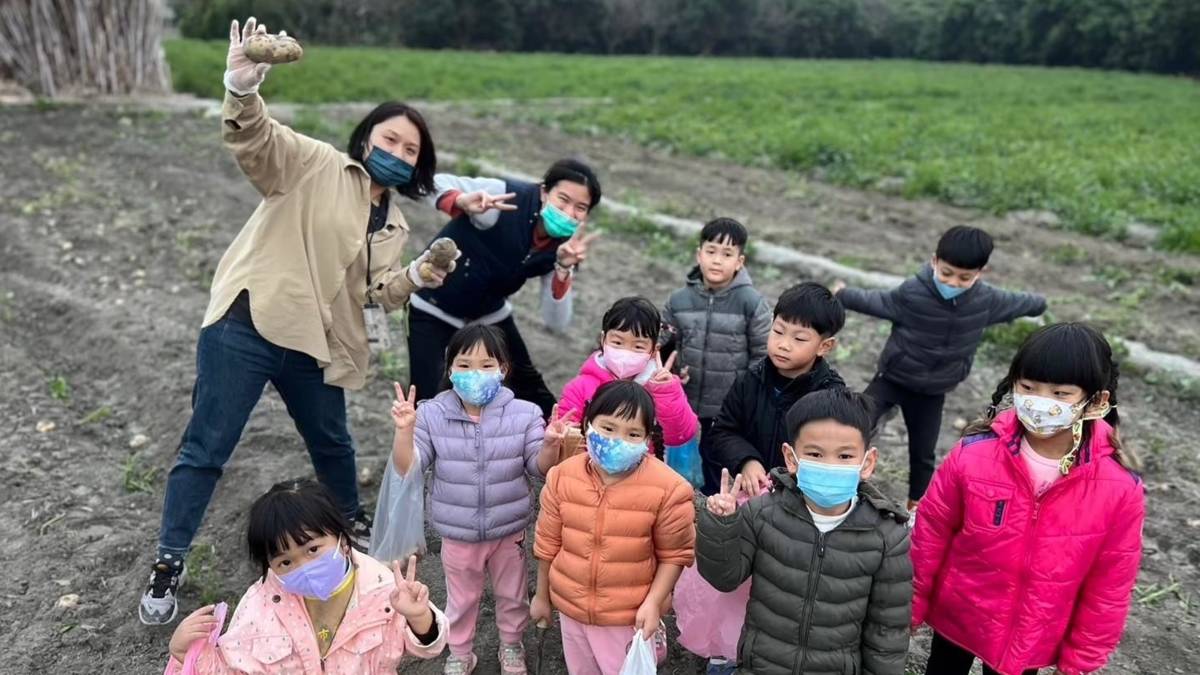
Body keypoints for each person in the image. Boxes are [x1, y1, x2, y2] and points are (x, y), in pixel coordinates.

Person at [140, 17, 457, 626]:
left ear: (419, 165)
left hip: (316, 342)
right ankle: (169, 558)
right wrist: (242, 87)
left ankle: (349, 523)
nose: (397, 153)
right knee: (208, 445)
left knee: (332, 443)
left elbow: (375, 293)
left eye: (410, 150)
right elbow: (254, 141)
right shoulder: (315, 164)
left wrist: (417, 277)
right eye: (389, 140)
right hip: (250, 321)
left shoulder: (394, 225)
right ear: (365, 141)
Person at [911, 323, 1144, 675]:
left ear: (1096, 401)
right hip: (959, 613)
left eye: (1060, 394)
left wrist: (1083, 655)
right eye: (1029, 388)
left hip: (1031, 633)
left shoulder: (1118, 487)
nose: (1040, 403)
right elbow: (930, 533)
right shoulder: (973, 455)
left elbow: (1111, 582)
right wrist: (910, 605)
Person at [389, 325, 566, 675]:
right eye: (465, 364)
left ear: (504, 369)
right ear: (450, 369)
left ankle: (512, 646)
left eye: (487, 365)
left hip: (509, 529)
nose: (475, 374)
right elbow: (408, 467)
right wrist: (404, 430)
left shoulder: (526, 413)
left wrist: (550, 444)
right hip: (457, 532)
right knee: (462, 597)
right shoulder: (431, 414)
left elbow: (539, 467)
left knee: (513, 595)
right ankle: (460, 651)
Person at [697, 389, 912, 675]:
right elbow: (724, 578)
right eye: (815, 454)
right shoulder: (762, 514)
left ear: (867, 462)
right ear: (791, 458)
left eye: (845, 455)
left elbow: (887, 629)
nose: (830, 465)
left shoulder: (887, 536)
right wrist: (721, 525)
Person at [833, 225, 1046, 511]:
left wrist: (1039, 305)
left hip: (933, 391)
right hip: (894, 378)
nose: (953, 282)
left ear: (980, 273)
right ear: (934, 261)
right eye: (946, 273)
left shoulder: (986, 301)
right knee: (857, 424)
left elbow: (1021, 303)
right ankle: (836, 482)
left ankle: (915, 506)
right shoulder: (913, 292)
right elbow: (878, 301)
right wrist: (844, 295)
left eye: (964, 277)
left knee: (923, 453)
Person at [164, 480, 447, 673]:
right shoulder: (259, 607)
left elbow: (427, 646)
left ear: (342, 539)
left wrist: (419, 617)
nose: (302, 566)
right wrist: (183, 654)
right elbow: (233, 670)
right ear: (269, 565)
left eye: (312, 549)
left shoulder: (383, 591)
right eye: (285, 561)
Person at [407, 159, 603, 419]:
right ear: (544, 191)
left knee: (533, 392)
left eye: (580, 208)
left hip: (489, 311)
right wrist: (461, 200)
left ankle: (561, 449)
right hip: (434, 304)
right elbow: (432, 183)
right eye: (563, 199)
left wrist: (563, 269)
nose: (569, 212)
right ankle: (419, 455)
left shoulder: (565, 248)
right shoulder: (505, 198)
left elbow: (556, 322)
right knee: (428, 399)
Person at [531, 381, 695, 675]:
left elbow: (675, 555)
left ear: (647, 439)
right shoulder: (561, 477)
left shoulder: (669, 489)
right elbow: (547, 544)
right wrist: (543, 596)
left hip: (628, 617)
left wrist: (654, 603)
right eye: (608, 428)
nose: (618, 440)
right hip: (571, 608)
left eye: (632, 434)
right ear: (587, 424)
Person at [662, 217, 771, 498]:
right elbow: (663, 344)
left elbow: (762, 353)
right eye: (711, 252)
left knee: (717, 462)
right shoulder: (678, 301)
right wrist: (672, 375)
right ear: (699, 254)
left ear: (740, 261)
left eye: (727, 254)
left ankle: (715, 507)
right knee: (678, 460)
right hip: (685, 398)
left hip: (726, 405)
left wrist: (745, 392)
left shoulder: (751, 303)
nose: (717, 261)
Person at [708, 282, 846, 494]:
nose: (783, 344)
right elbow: (723, 432)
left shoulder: (830, 396)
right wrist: (746, 460)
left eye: (799, 338)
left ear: (824, 346)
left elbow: (832, 456)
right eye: (778, 331)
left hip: (799, 500)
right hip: (749, 496)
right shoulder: (749, 380)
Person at [559, 296, 698, 454]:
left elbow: (680, 436)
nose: (626, 352)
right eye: (618, 342)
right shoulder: (580, 387)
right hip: (589, 471)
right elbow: (563, 438)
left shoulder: (660, 387)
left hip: (644, 474)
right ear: (604, 339)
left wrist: (666, 392)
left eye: (638, 346)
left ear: (653, 350)